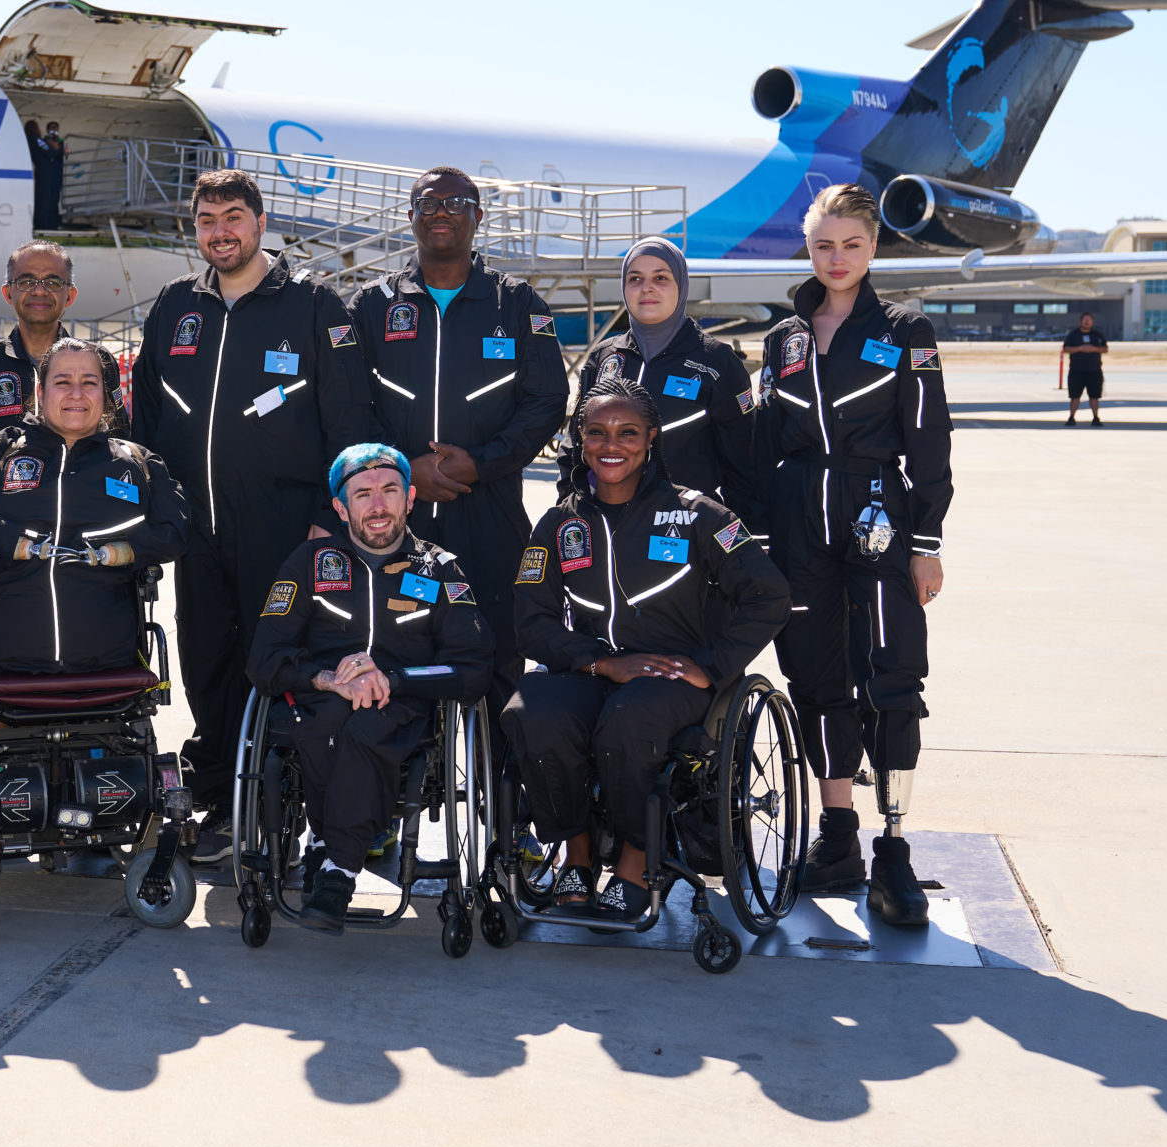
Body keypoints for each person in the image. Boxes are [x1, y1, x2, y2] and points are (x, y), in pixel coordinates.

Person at [130, 167, 379, 861]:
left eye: (232, 216)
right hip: (195, 528)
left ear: (260, 222)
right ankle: (219, 802)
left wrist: (330, 523)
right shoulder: (176, 308)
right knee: (207, 661)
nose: (220, 232)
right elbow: (144, 419)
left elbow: (350, 421)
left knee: (276, 664)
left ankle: (277, 806)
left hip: (286, 529)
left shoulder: (314, 307)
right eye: (207, 220)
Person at [501, 386, 788, 917]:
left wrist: (712, 667)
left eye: (628, 433)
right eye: (597, 433)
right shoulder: (559, 524)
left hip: (672, 675)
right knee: (531, 712)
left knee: (629, 720)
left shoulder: (702, 515)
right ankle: (578, 854)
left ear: (652, 439)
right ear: (580, 441)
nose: (612, 445)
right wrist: (599, 661)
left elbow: (769, 596)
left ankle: (638, 857)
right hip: (592, 666)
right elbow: (531, 622)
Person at [751, 183, 953, 927]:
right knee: (814, 674)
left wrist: (925, 543)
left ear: (874, 248)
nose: (836, 259)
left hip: (877, 513)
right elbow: (764, 443)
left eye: (851, 244)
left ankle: (893, 850)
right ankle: (838, 838)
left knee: (891, 676)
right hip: (798, 516)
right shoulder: (784, 340)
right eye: (822, 245)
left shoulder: (906, 329)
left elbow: (931, 440)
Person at [248, 444, 494, 932]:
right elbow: (264, 659)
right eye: (362, 494)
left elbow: (473, 668)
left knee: (366, 726)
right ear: (341, 508)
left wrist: (394, 680)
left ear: (411, 498)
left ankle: (336, 865)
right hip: (319, 703)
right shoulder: (309, 563)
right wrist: (326, 679)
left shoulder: (440, 569)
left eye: (389, 491)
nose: (377, 505)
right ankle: (333, 845)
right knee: (331, 721)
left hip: (403, 706)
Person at [349, 166, 566, 714]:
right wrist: (401, 469)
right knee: (399, 662)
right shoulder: (370, 307)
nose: (440, 212)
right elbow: (347, 405)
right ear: (410, 216)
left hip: (490, 515)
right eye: (428, 202)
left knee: (496, 665)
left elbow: (545, 402)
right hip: (398, 521)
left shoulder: (517, 305)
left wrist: (482, 464)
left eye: (455, 202)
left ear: (478, 216)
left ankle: (504, 798)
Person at [0, 337, 190, 672]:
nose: (76, 394)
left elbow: (174, 530)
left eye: (89, 383)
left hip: (107, 660)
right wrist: (21, 544)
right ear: (40, 393)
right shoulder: (0, 452)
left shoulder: (137, 462)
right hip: (3, 659)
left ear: (105, 394)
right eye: (62, 382)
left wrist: (115, 552)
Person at [573, 235, 761, 522]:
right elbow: (575, 447)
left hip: (686, 529)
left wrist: (733, 544)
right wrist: (573, 508)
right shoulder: (604, 357)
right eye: (635, 278)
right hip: (608, 524)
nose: (646, 287)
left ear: (681, 285)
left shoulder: (717, 362)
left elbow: (743, 463)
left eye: (661, 278)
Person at [0, 240, 121, 428]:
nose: (40, 291)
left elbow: (118, 435)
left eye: (52, 282)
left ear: (70, 295)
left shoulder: (98, 360)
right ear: (8, 293)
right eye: (26, 282)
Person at [1062, 312, 1109, 426]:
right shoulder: (1073, 335)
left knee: (1094, 396)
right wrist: (1080, 348)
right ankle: (1072, 417)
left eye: (1089, 320)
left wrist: (1093, 349)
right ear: (1080, 321)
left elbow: (1105, 349)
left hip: (1094, 371)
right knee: (1074, 396)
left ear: (1092, 322)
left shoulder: (1097, 335)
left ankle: (1095, 417)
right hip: (1076, 371)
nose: (1087, 322)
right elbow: (1066, 348)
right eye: (1085, 320)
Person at [29, 120, 69, 230]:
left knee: (52, 198)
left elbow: (64, 152)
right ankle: (47, 223)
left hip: (52, 173)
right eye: (51, 128)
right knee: (46, 198)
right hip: (48, 173)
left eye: (55, 128)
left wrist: (59, 148)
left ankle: (51, 222)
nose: (53, 131)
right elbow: (49, 152)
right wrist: (58, 150)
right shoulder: (41, 140)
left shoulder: (60, 140)